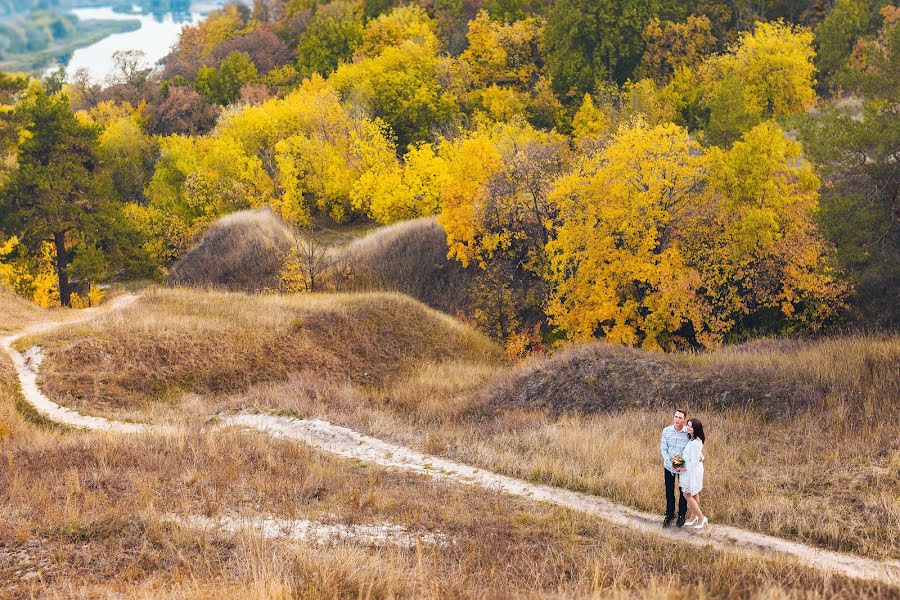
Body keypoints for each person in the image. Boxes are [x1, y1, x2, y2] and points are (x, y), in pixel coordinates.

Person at [659, 408, 690, 527]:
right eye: (676, 417)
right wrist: (670, 462)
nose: (677, 419)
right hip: (668, 466)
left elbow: (691, 448)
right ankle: (669, 513)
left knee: (683, 491)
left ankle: (681, 515)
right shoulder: (666, 431)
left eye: (680, 418)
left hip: (683, 467)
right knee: (669, 490)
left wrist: (681, 465)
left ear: (684, 420)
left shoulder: (688, 432)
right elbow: (663, 449)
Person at [679, 418, 708, 529]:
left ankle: (701, 518)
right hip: (689, 470)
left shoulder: (696, 442)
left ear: (696, 428)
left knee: (687, 494)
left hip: (691, 471)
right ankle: (693, 517)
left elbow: (695, 462)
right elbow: (699, 456)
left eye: (691, 426)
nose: (688, 427)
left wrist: (683, 468)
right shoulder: (692, 439)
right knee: (694, 493)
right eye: (688, 425)